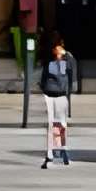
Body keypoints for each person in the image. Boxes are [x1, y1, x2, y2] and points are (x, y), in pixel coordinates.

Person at [39, 34, 76, 168]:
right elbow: (62, 77)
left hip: (57, 94)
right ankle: (54, 152)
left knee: (59, 124)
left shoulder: (65, 60)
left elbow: (68, 77)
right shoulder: (54, 62)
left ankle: (59, 150)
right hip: (53, 94)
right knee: (55, 124)